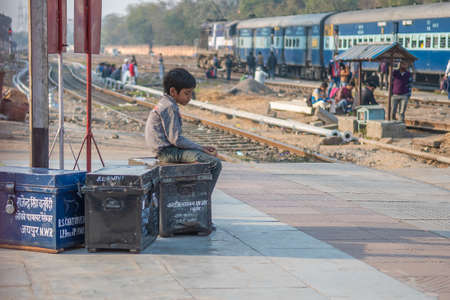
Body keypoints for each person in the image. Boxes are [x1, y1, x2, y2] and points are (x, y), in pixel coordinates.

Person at [145, 68, 221, 196]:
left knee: (202, 155)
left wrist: (200, 148)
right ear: (173, 91)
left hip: (168, 150)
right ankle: (202, 200)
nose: (190, 98)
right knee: (214, 163)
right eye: (187, 93)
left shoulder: (166, 103)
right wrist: (201, 148)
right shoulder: (170, 107)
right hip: (167, 153)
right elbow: (176, 140)